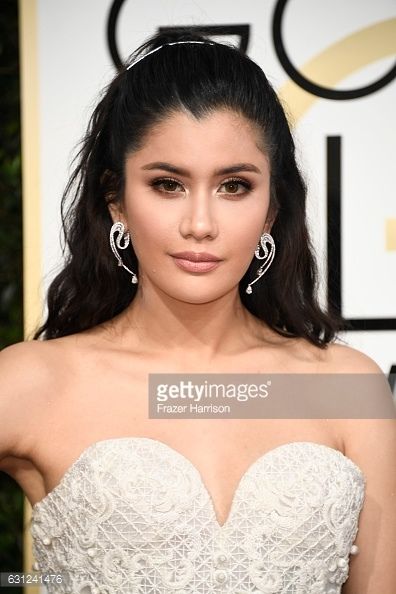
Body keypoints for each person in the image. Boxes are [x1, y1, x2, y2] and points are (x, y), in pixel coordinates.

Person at [0, 28, 395, 594]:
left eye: (234, 186)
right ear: (116, 199)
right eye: (168, 185)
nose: (201, 224)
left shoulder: (349, 387)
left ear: (271, 209)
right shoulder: (35, 382)